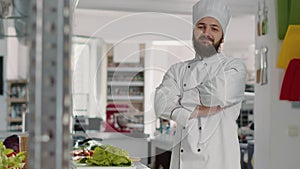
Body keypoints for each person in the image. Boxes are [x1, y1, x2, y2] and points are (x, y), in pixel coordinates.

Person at [154, 0, 247, 168]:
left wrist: (182, 102)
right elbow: (160, 105)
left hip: (220, 162)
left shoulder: (234, 67)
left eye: (214, 28)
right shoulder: (178, 70)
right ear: (194, 31)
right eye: (201, 26)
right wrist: (197, 108)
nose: (206, 32)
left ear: (222, 37)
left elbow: (218, 94)